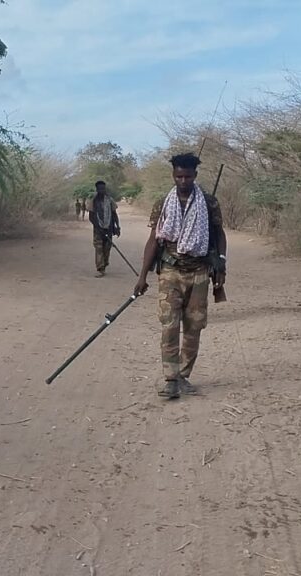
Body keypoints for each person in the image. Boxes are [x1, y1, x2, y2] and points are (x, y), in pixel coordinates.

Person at [133, 152, 226, 399]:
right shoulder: (163, 203)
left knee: (194, 327)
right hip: (170, 271)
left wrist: (221, 266)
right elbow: (154, 240)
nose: (183, 181)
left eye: (187, 176)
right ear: (173, 175)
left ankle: (184, 375)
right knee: (169, 326)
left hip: (200, 272)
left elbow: (219, 235)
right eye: (179, 176)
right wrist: (142, 276)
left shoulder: (209, 202)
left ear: (195, 175)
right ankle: (171, 379)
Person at [87, 180, 120, 277]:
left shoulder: (110, 200)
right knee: (99, 248)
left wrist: (117, 227)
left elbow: (114, 214)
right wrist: (97, 227)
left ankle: (104, 264)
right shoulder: (93, 201)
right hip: (98, 230)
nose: (102, 190)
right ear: (97, 189)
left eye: (103, 189)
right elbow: (91, 217)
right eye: (100, 189)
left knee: (107, 248)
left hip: (109, 229)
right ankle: (100, 268)